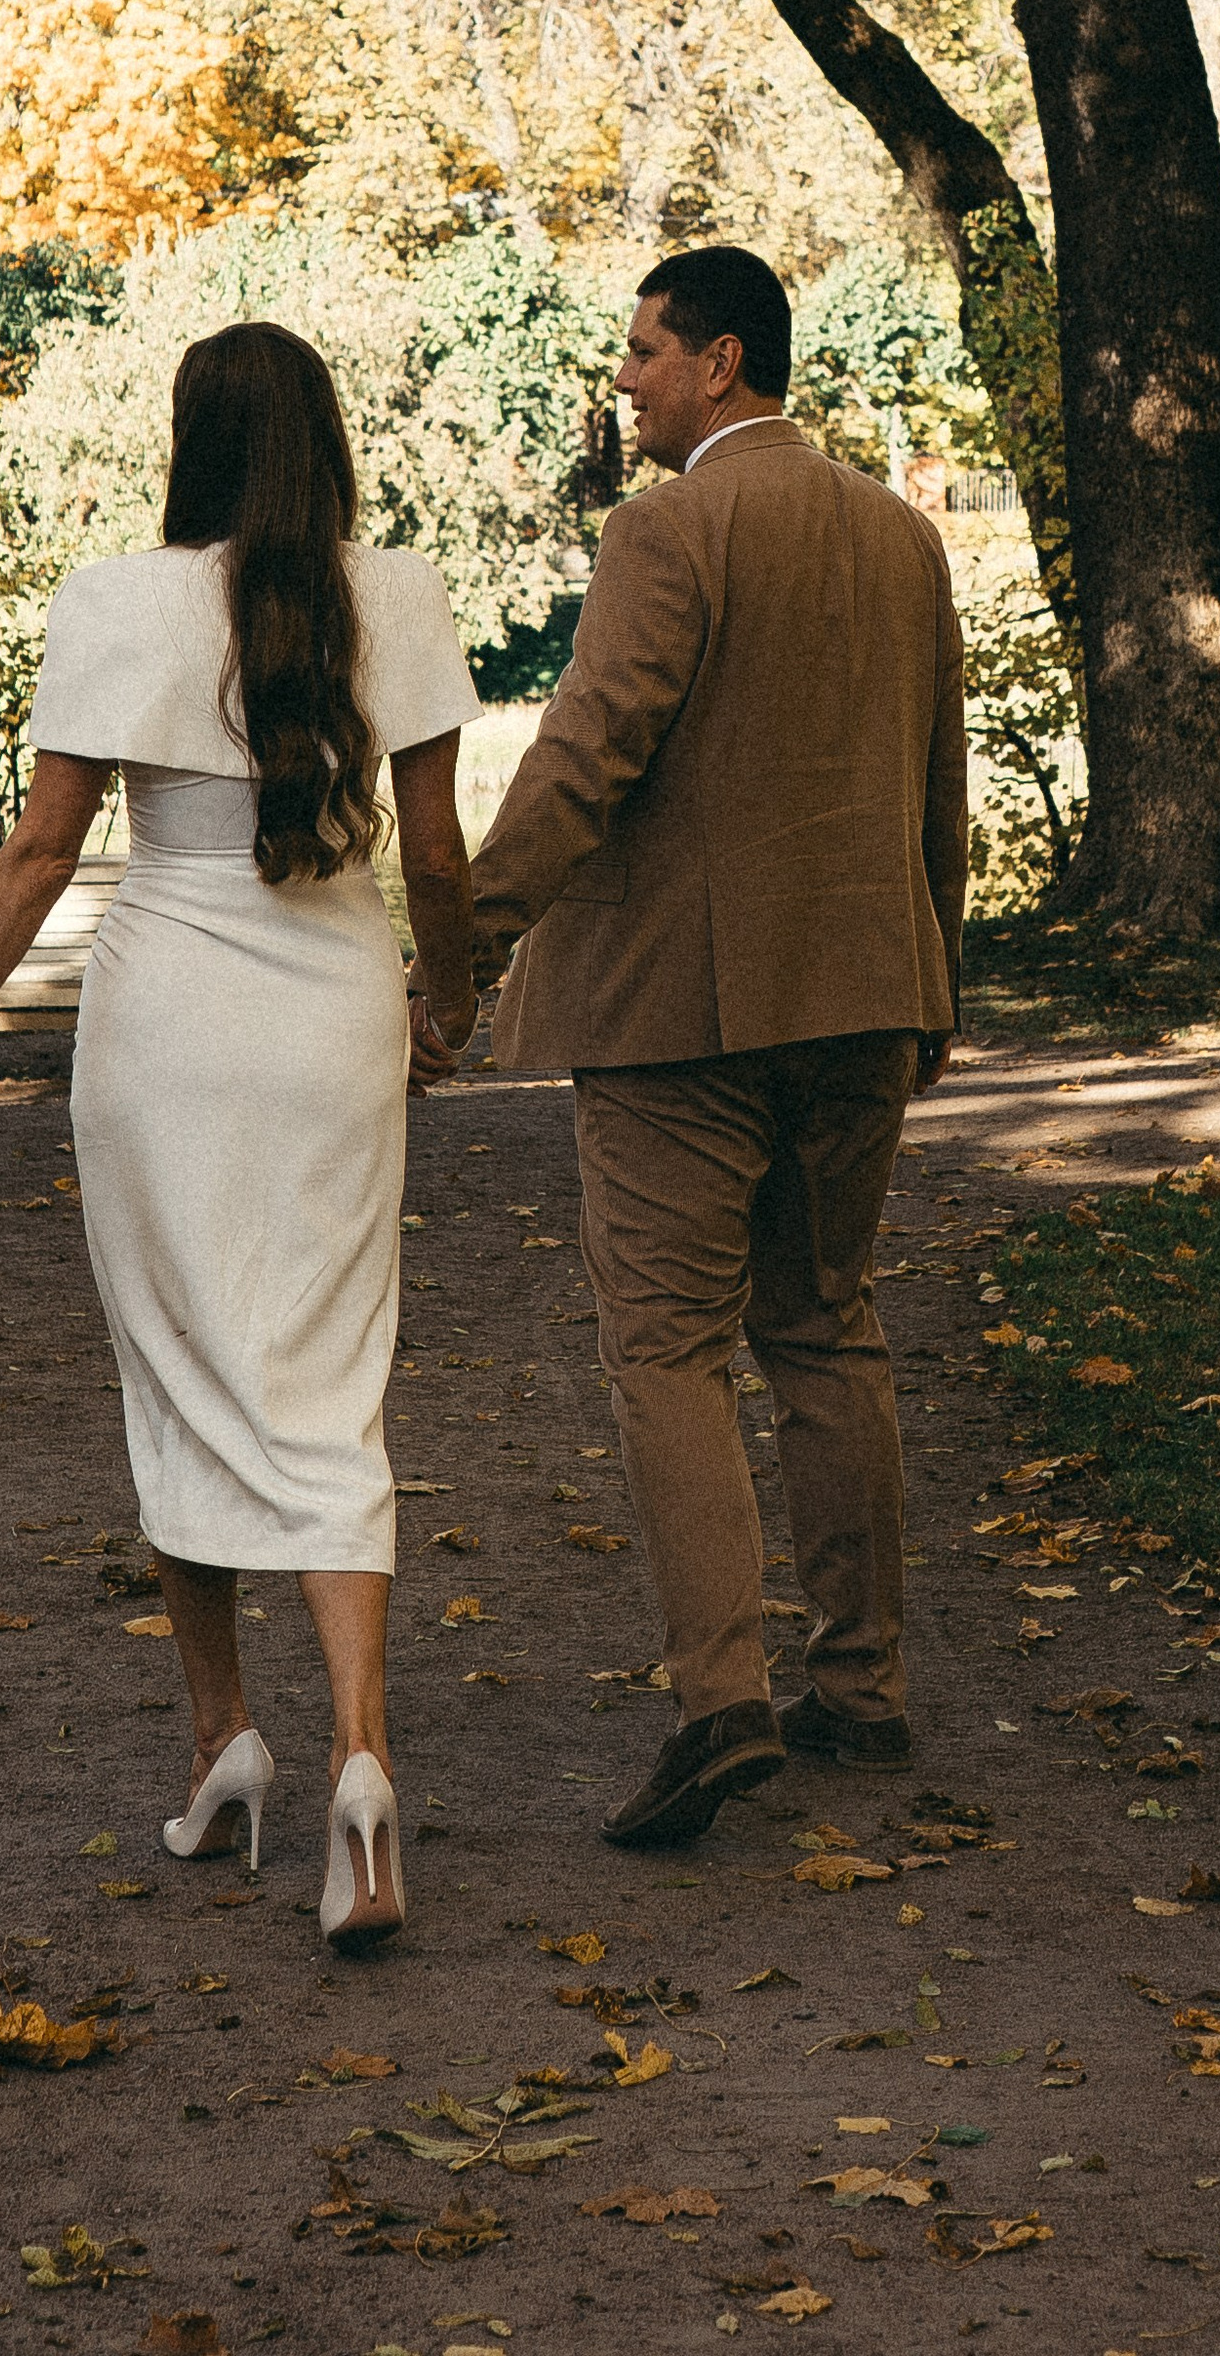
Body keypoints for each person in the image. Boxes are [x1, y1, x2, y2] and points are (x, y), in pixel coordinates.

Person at [0, 322, 480, 1954]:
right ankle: (361, 1765)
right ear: (327, 438)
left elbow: (43, 854)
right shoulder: (393, 596)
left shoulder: (116, 598)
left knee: (181, 1364)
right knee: (330, 1377)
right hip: (334, 1003)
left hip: (168, 1017)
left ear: (189, 439)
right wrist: (445, 1002)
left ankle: (221, 1742)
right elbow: (443, 857)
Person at [451, 245, 966, 1850]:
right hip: (871, 993)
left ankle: (723, 1701)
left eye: (646, 354)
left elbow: (588, 750)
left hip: (686, 1019)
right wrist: (929, 970)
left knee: (667, 1345)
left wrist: (466, 931)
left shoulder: (669, 527)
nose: (626, 378)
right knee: (825, 1327)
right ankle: (863, 1693)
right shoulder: (901, 535)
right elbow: (935, 779)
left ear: (722, 362)